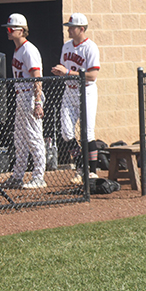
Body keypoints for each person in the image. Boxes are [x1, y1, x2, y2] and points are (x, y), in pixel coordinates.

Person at [51, 13, 100, 179]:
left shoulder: (90, 47)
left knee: (88, 133)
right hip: (69, 91)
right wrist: (61, 73)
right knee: (66, 132)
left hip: (86, 91)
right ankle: (81, 167)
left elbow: (92, 75)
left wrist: (67, 72)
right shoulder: (66, 46)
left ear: (81, 28)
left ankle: (92, 171)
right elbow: (66, 70)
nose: (69, 30)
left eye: (71, 27)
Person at [3, 13, 47, 189]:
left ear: (21, 31)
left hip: (30, 95)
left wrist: (37, 102)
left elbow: (37, 77)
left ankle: (39, 177)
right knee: (19, 139)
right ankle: (17, 176)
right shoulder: (17, 49)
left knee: (34, 137)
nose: (8, 31)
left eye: (10, 29)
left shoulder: (29, 50)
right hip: (20, 95)